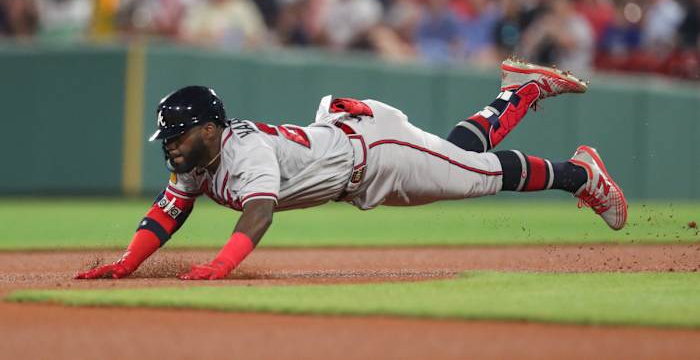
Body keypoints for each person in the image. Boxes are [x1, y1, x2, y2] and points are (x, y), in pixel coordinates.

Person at [75, 58, 627, 281]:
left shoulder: (244, 154)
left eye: (178, 135)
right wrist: (126, 263)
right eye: (167, 138)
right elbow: (168, 211)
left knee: (477, 174)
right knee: (461, 161)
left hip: (374, 149)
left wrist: (221, 267)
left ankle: (580, 173)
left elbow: (260, 214)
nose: (170, 146)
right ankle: (520, 91)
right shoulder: (202, 157)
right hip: (356, 160)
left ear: (210, 128)